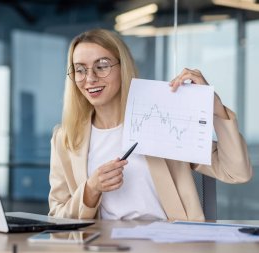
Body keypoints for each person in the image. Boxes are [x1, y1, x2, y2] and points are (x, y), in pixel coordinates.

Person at [48, 28, 252, 221]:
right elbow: (57, 216)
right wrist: (90, 190)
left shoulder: (163, 119)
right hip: (103, 245)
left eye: (102, 66)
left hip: (169, 243)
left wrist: (215, 108)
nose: (90, 78)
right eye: (80, 70)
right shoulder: (65, 139)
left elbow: (236, 172)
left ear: (123, 67)